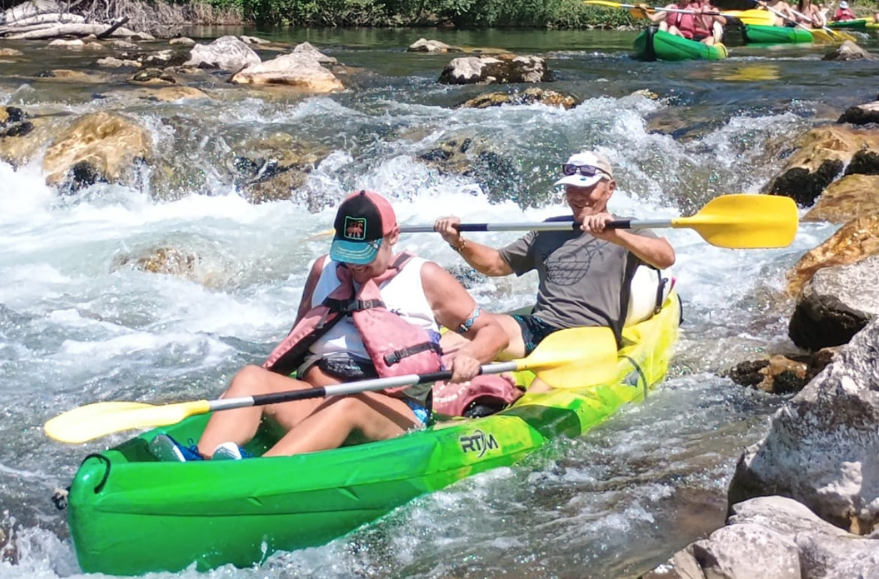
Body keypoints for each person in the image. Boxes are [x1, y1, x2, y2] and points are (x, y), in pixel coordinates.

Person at [150, 190, 508, 461]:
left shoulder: (424, 276)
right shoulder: (324, 270)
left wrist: (472, 356)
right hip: (315, 403)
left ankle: (257, 473)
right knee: (251, 377)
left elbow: (493, 331)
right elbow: (298, 337)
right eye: (348, 255)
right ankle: (202, 463)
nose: (354, 267)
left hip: (392, 414)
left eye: (364, 256)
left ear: (393, 236)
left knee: (350, 399)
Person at [433, 152, 676, 391]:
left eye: (586, 188)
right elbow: (496, 264)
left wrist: (618, 236)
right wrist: (457, 241)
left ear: (610, 188)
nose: (577, 196)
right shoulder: (550, 229)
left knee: (539, 394)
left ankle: (518, 396)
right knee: (458, 337)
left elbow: (666, 257)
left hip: (589, 337)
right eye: (571, 187)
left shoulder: (627, 228)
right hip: (541, 324)